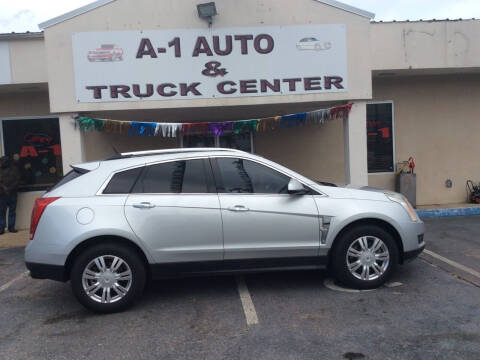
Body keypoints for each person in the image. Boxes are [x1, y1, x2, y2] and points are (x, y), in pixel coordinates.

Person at [0, 156, 20, 234]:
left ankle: (11, 227)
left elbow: (17, 180)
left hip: (12, 193)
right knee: (2, 212)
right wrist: (4, 188)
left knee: (12, 211)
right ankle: (1, 228)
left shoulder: (14, 169)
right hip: (2, 194)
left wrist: (9, 188)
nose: (1, 163)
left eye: (2, 161)